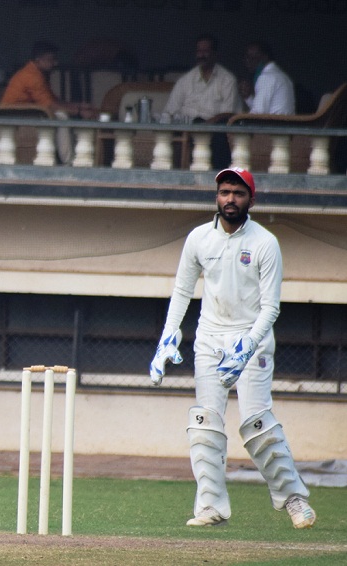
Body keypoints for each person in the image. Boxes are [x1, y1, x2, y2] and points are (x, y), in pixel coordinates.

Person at [149, 167, 316, 530]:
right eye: (225, 192)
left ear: (250, 200)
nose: (230, 199)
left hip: (251, 339)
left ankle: (294, 499)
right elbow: (182, 290)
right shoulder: (198, 239)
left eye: (238, 193)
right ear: (216, 196)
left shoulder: (264, 242)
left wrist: (247, 346)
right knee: (204, 423)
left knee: (257, 424)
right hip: (210, 338)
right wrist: (167, 336)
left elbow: (271, 307)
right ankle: (211, 507)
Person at [0, 42, 95, 165]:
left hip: (29, 113)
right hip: (15, 115)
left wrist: (79, 106)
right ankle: (68, 160)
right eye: (51, 59)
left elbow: (54, 100)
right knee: (62, 116)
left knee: (62, 113)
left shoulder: (38, 73)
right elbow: (50, 106)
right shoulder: (32, 76)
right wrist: (79, 112)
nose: (55, 63)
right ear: (38, 60)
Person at [162, 34, 243, 168]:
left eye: (206, 51)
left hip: (217, 130)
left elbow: (229, 113)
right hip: (189, 129)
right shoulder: (185, 80)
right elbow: (170, 111)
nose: (201, 55)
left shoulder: (227, 79)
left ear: (215, 54)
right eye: (199, 51)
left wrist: (207, 124)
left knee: (219, 132)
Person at [240, 40, 295, 115]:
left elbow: (257, 115)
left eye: (254, 58)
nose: (249, 61)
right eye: (247, 57)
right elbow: (264, 110)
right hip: (281, 125)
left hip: (274, 125)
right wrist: (248, 98)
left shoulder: (266, 77)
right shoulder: (281, 75)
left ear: (265, 57)